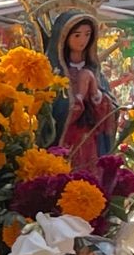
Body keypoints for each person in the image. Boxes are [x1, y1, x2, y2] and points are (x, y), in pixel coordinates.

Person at [45, 10, 115, 172]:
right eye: (77, 35)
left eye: (87, 34)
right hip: (65, 140)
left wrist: (96, 94)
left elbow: (110, 111)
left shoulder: (95, 72)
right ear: (63, 38)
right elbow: (48, 109)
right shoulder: (53, 72)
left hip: (89, 140)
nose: (82, 40)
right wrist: (73, 103)